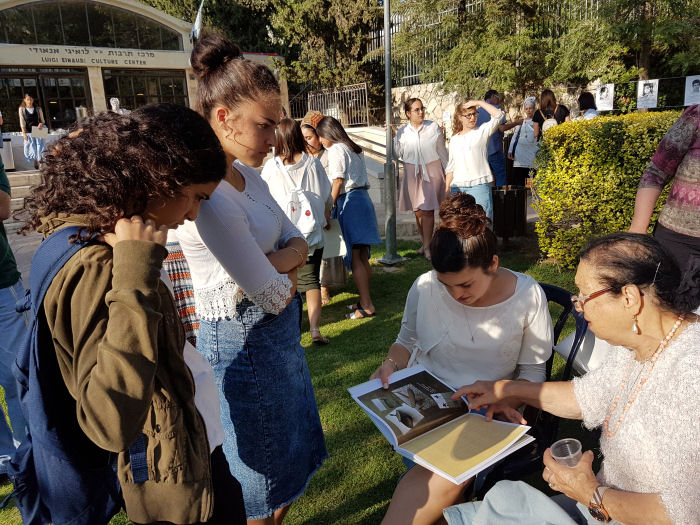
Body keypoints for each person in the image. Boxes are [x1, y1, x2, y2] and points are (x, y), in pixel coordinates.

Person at [18, 104, 247, 524]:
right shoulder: (101, 262)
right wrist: (137, 272)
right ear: (158, 178)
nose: (193, 214)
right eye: (195, 197)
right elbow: (109, 419)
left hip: (185, 462)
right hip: (174, 490)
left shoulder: (98, 239)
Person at [173, 33, 327, 524]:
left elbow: (299, 236)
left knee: (284, 464)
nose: (274, 137)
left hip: (275, 342)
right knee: (257, 479)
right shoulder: (213, 196)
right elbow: (278, 293)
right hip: (244, 347)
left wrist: (276, 256)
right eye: (265, 125)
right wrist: (284, 257)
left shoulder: (250, 176)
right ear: (223, 118)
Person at [445, 232, 699, 525]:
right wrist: (505, 389)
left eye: (584, 296)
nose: (578, 305)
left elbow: (684, 513)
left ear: (629, 298)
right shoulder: (637, 342)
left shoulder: (691, 372)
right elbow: (587, 397)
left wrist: (590, 493)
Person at [370, 192, 553, 525]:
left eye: (466, 284)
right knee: (446, 481)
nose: (457, 295)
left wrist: (506, 395)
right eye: (446, 285)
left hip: (492, 409)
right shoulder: (425, 287)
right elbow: (405, 341)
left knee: (449, 475)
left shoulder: (527, 295)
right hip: (428, 404)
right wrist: (391, 365)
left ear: (493, 264)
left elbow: (532, 371)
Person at [261, 118, 333, 345]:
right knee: (311, 279)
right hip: (310, 232)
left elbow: (264, 198)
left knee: (286, 279)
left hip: (281, 233)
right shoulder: (313, 164)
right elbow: (326, 197)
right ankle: (314, 329)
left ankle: (292, 328)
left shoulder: (272, 167)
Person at [316, 115, 383, 320]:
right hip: (362, 199)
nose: (320, 141)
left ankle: (367, 305)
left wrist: (328, 208)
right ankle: (365, 300)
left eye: (320, 137)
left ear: (328, 133)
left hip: (350, 202)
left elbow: (337, 181)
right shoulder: (354, 148)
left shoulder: (336, 149)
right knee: (362, 255)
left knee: (355, 257)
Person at [629, 104, 699, 285]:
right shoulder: (696, 117)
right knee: (670, 309)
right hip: (678, 245)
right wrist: (638, 230)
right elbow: (656, 172)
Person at [0, 155, 28, 480]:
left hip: (1, 284)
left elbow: (4, 207)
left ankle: (29, 455)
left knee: (16, 377)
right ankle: (4, 460)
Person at [302, 110, 348, 306]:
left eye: (310, 137)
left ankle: (324, 286)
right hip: (306, 209)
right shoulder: (302, 157)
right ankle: (312, 285)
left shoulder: (330, 155)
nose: (307, 142)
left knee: (327, 247)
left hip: (326, 205)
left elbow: (334, 181)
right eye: (303, 138)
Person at [393, 97, 449, 260]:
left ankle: (427, 248)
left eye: (422, 108)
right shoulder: (403, 131)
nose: (421, 112)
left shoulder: (433, 128)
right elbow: (398, 154)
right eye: (416, 110)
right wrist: (394, 136)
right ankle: (427, 242)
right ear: (408, 113)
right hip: (412, 172)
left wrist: (448, 173)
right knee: (417, 211)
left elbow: (442, 151)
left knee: (427, 210)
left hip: (431, 170)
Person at [445, 99, 505, 220]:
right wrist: (447, 190)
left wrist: (478, 102)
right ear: (460, 117)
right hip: (458, 188)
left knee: (483, 224)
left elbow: (499, 115)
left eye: (474, 114)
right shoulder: (454, 140)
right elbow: (451, 167)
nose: (472, 118)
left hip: (480, 186)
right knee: (460, 225)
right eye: (468, 115)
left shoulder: (482, 131)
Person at [476, 90, 522, 188]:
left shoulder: (477, 112)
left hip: (481, 151)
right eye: (497, 97)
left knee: (487, 178)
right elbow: (502, 128)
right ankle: (502, 199)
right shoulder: (496, 109)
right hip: (494, 149)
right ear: (492, 96)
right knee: (500, 176)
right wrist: (517, 123)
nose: (499, 100)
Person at [507, 96, 539, 187]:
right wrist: (510, 150)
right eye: (526, 109)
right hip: (520, 153)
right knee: (519, 178)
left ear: (534, 109)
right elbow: (514, 137)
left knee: (533, 175)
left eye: (530, 108)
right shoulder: (521, 122)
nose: (528, 110)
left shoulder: (537, 121)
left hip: (533, 152)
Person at [18, 93, 46, 169]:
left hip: (38, 129)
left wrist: (41, 123)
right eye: (27, 99)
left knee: (41, 147)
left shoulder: (38, 109)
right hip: (28, 131)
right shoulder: (22, 109)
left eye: (30, 99)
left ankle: (41, 163)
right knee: (31, 148)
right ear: (24, 100)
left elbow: (43, 120)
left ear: (33, 100)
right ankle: (35, 160)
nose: (29, 101)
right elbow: (22, 122)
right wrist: (24, 134)